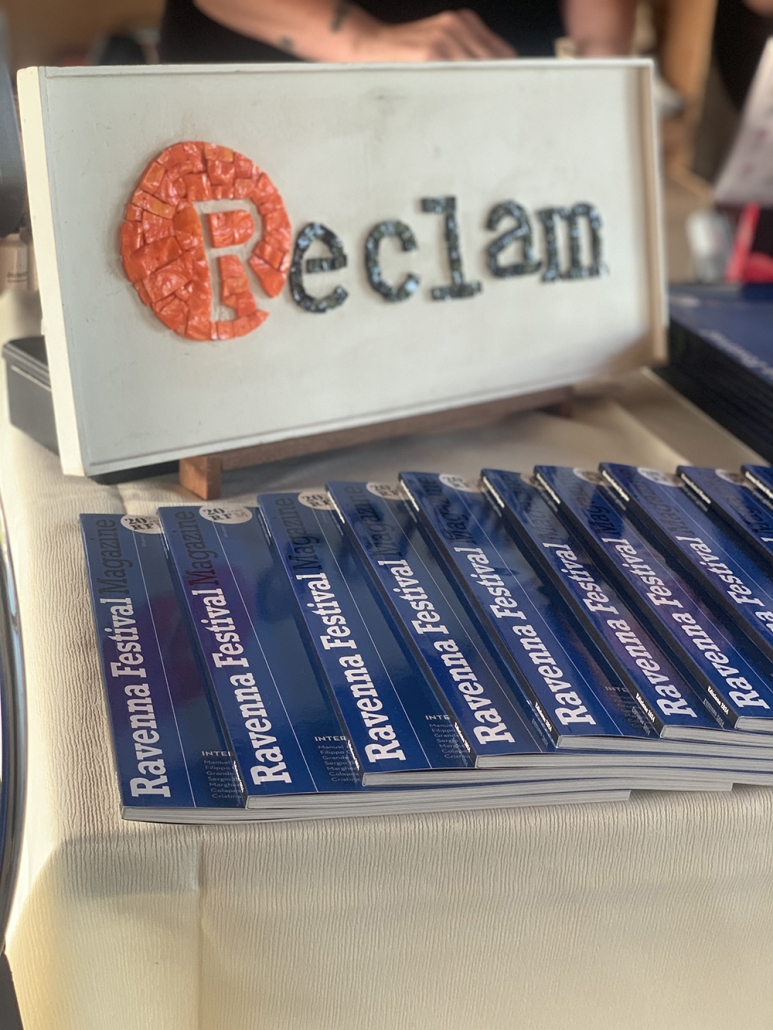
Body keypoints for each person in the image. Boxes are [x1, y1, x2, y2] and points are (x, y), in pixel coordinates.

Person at [159, 0, 637, 65]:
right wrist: (364, 41)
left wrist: (601, 53)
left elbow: (601, 39)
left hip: (501, 95)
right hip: (273, 86)